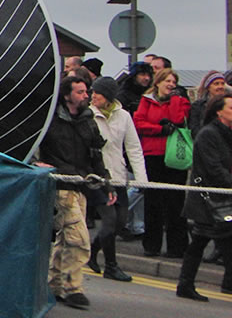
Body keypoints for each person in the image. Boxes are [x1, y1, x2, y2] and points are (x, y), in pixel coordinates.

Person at [36, 75, 114, 310]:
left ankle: (56, 283)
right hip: (60, 185)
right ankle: (73, 288)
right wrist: (35, 163)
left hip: (80, 185)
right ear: (67, 95)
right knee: (79, 239)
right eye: (79, 92)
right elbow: (33, 142)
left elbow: (96, 153)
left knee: (66, 238)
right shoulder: (50, 118)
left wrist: (106, 183)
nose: (85, 96)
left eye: (86, 91)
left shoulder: (88, 120)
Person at [86, 76, 147, 282]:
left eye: (98, 93)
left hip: (118, 176)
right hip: (98, 179)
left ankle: (92, 252)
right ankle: (111, 267)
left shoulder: (124, 116)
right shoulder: (88, 115)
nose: (93, 96)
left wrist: (141, 179)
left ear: (109, 96)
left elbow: (133, 148)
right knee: (110, 221)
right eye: (92, 92)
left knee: (120, 222)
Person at [175, 94, 232, 301]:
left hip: (223, 198)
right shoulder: (209, 134)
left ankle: (191, 284)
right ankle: (186, 284)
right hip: (208, 198)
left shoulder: (227, 133)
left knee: (216, 241)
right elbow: (214, 169)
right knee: (202, 241)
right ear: (219, 111)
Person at [134, 68, 190, 258]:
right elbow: (139, 123)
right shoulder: (146, 100)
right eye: (167, 81)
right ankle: (151, 245)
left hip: (174, 156)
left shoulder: (181, 100)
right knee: (153, 203)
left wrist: (174, 98)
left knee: (175, 203)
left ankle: (177, 247)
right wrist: (159, 129)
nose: (170, 85)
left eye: (173, 82)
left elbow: (176, 119)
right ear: (157, 83)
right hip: (153, 154)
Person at [189, 71, 227, 136]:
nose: (220, 86)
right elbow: (194, 128)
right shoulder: (198, 105)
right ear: (208, 87)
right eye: (216, 84)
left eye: (222, 83)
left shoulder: (228, 105)